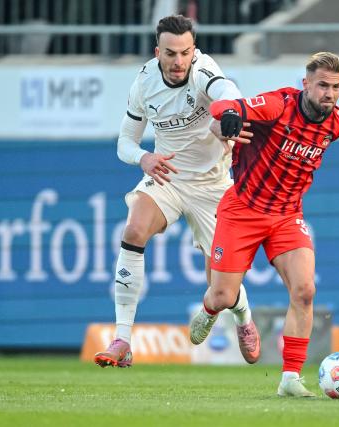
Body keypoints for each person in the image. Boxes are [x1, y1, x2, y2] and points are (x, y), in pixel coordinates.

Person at [93, 15, 260, 369]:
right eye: (170, 53)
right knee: (134, 229)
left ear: (194, 51)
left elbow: (227, 92)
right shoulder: (144, 82)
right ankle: (122, 338)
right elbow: (125, 141)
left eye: (185, 52)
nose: (178, 61)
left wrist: (230, 114)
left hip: (213, 184)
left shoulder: (203, 70)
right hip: (168, 176)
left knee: (222, 287)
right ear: (158, 52)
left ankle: (244, 318)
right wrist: (144, 158)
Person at [189, 52, 339, 397]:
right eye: (322, 85)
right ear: (305, 84)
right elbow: (225, 107)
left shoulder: (337, 123)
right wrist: (228, 116)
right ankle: (209, 308)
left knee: (305, 292)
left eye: (336, 87)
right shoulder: (278, 106)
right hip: (243, 209)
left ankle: (290, 377)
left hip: (288, 215)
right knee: (223, 294)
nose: (329, 94)